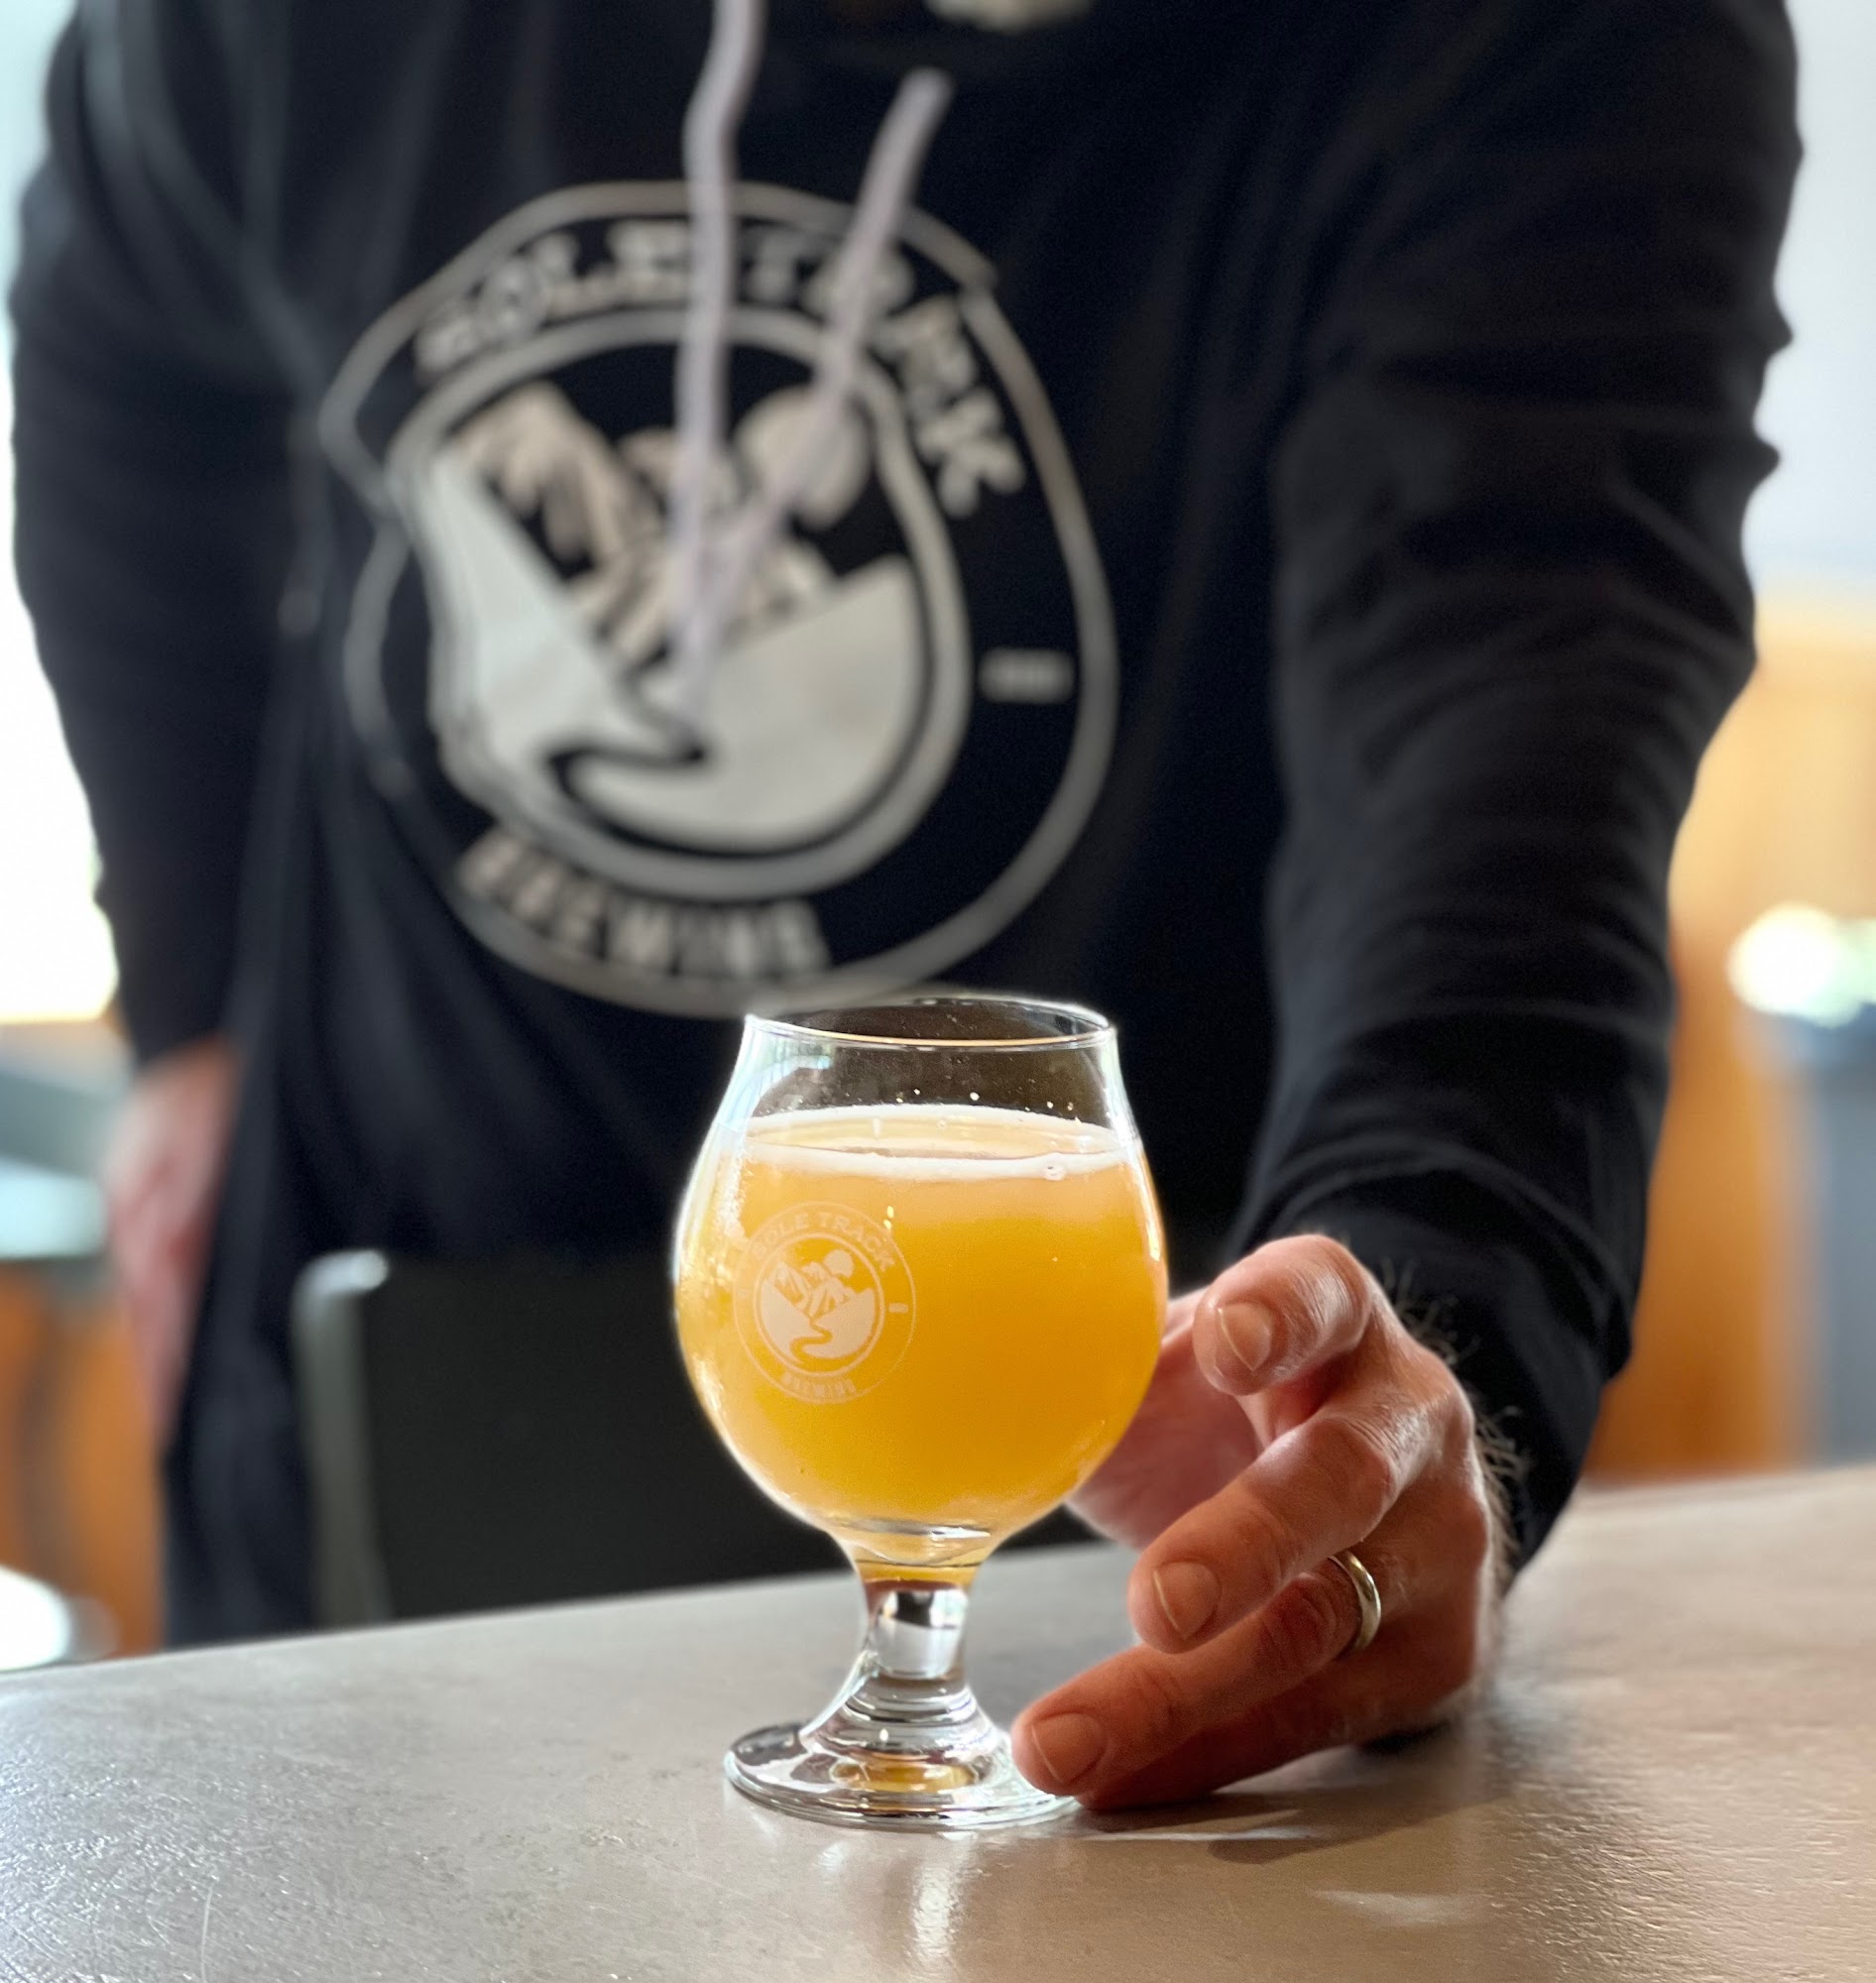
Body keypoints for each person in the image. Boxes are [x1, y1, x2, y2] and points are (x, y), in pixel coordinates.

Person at [10, 0, 1795, 1808]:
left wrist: (1415, 1343)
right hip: (385, 1309)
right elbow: (116, 354)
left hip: (1138, 1453)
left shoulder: (1550, 40)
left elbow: (1506, 720)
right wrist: (192, 1004)